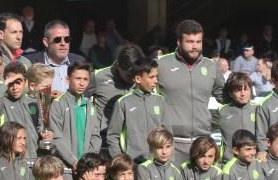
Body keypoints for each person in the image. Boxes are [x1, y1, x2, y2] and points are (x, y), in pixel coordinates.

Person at [156, 20, 226, 165]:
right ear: (178, 42)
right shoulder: (160, 65)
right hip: (171, 145)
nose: (195, 46)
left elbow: (226, 100)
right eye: (189, 42)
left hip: (203, 144)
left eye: (198, 42)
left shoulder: (211, 66)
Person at [106, 57, 168, 163]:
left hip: (158, 163)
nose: (156, 81)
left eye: (156, 76)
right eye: (151, 77)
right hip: (134, 165)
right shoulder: (123, 103)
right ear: (138, 79)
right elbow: (113, 136)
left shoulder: (160, 100)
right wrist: (121, 161)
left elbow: (167, 134)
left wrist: (168, 159)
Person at [49, 62, 101, 174]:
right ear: (68, 79)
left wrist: (88, 162)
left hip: (87, 168)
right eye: (78, 78)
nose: (82, 83)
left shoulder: (90, 105)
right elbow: (56, 138)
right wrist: (73, 162)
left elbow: (96, 136)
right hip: (64, 168)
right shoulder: (58, 104)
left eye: (85, 79)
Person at [22, 21, 86, 94]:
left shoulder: (80, 61)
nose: (63, 43)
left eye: (67, 39)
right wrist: (48, 97)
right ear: (46, 42)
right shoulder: (29, 62)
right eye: (57, 40)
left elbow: (88, 93)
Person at [215, 72, 255, 162]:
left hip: (254, 163)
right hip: (229, 162)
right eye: (238, 90)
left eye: (246, 89)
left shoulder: (258, 109)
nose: (243, 94)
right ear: (230, 93)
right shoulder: (221, 111)